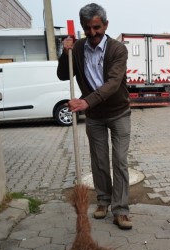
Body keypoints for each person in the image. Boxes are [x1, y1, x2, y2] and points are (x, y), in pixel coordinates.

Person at [57, 3, 132, 230]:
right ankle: (103, 201)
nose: (93, 33)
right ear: (82, 27)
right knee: (99, 161)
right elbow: (63, 74)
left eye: (97, 27)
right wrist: (65, 52)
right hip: (95, 117)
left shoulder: (118, 49)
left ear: (106, 25)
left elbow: (112, 83)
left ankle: (121, 210)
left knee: (119, 160)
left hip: (119, 112)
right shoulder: (78, 48)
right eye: (87, 28)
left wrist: (86, 101)